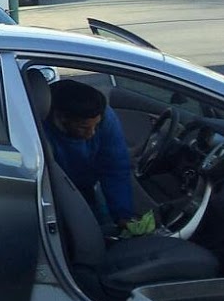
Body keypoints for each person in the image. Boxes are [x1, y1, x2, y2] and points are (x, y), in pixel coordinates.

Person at [44, 79, 154, 236]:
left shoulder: (105, 117)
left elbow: (115, 168)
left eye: (96, 126)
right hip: (54, 193)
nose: (92, 134)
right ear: (61, 118)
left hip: (86, 188)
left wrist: (123, 215)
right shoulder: (40, 129)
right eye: (84, 128)